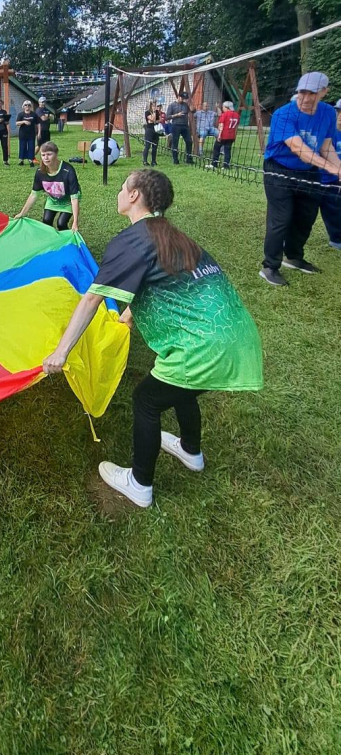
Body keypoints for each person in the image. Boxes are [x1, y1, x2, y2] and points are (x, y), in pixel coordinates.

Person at [43, 169, 263, 508]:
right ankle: (190, 451)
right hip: (237, 336)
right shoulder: (172, 235)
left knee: (147, 400)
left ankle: (140, 483)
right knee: (183, 387)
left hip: (203, 346)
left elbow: (91, 299)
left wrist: (61, 352)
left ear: (134, 196)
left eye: (122, 187)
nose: (119, 193)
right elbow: (163, 280)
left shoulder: (132, 240)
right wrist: (128, 316)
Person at [259, 72, 341, 286]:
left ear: (324, 92)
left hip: (309, 171)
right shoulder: (283, 114)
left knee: (306, 216)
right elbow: (299, 149)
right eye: (302, 92)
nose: (305, 98)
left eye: (312, 93)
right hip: (279, 169)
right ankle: (270, 267)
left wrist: (339, 169)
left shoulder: (328, 113)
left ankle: (294, 257)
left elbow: (326, 147)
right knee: (281, 218)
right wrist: (331, 168)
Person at [15, 142, 80, 231]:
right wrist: (22, 213)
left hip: (68, 201)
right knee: (46, 221)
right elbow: (34, 195)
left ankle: (67, 238)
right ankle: (52, 239)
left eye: (49, 154)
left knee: (61, 223)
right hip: (53, 200)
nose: (45, 158)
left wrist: (75, 222)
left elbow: (74, 198)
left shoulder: (68, 170)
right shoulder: (40, 172)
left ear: (56, 154)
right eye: (43, 155)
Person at [319, 100, 341, 249]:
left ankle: (336, 240)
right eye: (339, 111)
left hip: (336, 181)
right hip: (318, 179)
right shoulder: (327, 131)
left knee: (335, 211)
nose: (340, 115)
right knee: (302, 213)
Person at [209, 101, 240, 169]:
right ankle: (226, 166)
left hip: (224, 135)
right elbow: (236, 127)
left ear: (227, 107)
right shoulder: (237, 115)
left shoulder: (224, 114)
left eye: (223, 107)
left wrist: (219, 135)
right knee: (227, 151)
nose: (222, 108)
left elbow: (221, 125)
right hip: (231, 136)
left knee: (216, 148)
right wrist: (235, 136)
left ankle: (214, 164)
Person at [166, 91, 193, 164]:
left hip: (185, 125)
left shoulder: (186, 105)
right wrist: (176, 115)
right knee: (175, 142)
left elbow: (193, 111)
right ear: (179, 97)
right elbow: (167, 117)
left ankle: (189, 159)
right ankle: (175, 159)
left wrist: (190, 103)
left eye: (185, 98)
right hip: (176, 125)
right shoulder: (172, 105)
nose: (184, 100)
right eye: (183, 98)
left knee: (189, 141)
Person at [16, 100, 38, 166]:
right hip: (23, 134)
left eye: (29, 105)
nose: (27, 106)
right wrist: (24, 122)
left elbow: (37, 123)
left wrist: (38, 132)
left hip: (31, 134)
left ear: (31, 106)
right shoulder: (21, 114)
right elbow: (17, 123)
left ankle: (31, 160)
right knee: (22, 146)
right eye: (26, 105)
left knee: (31, 147)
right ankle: (21, 160)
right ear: (23, 106)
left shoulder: (34, 114)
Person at [143, 101, 161, 166]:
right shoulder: (147, 112)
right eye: (153, 106)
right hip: (149, 130)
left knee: (155, 146)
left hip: (156, 130)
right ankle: (145, 161)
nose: (155, 107)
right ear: (150, 106)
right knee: (147, 146)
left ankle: (153, 161)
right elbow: (152, 119)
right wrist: (154, 113)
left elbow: (159, 120)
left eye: (155, 106)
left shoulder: (157, 112)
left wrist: (155, 119)